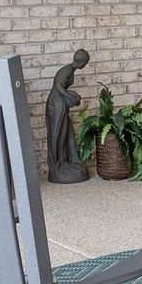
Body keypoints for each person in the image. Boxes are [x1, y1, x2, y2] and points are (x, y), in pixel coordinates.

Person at [45, 48, 91, 183]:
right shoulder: (67, 71)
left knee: (68, 132)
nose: (85, 66)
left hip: (60, 102)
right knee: (58, 133)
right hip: (56, 103)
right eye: (85, 63)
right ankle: (57, 164)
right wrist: (69, 95)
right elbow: (58, 86)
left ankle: (73, 159)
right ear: (82, 62)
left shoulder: (70, 70)